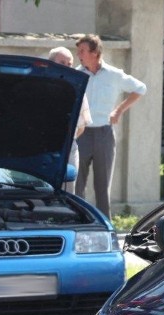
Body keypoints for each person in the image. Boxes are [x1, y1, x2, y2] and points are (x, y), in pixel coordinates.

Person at [74, 34, 146, 218]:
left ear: (95, 53)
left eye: (82, 51)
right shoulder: (77, 74)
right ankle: (78, 221)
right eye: (78, 50)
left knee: (102, 186)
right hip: (80, 133)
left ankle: (104, 225)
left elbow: (140, 88)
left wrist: (119, 110)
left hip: (104, 133)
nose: (79, 54)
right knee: (76, 184)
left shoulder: (114, 75)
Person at [47, 46, 91, 193]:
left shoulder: (78, 90)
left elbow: (81, 126)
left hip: (68, 148)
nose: (66, 67)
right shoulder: (40, 86)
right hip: (42, 149)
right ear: (51, 64)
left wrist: (65, 141)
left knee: (67, 194)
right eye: (62, 62)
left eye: (69, 64)